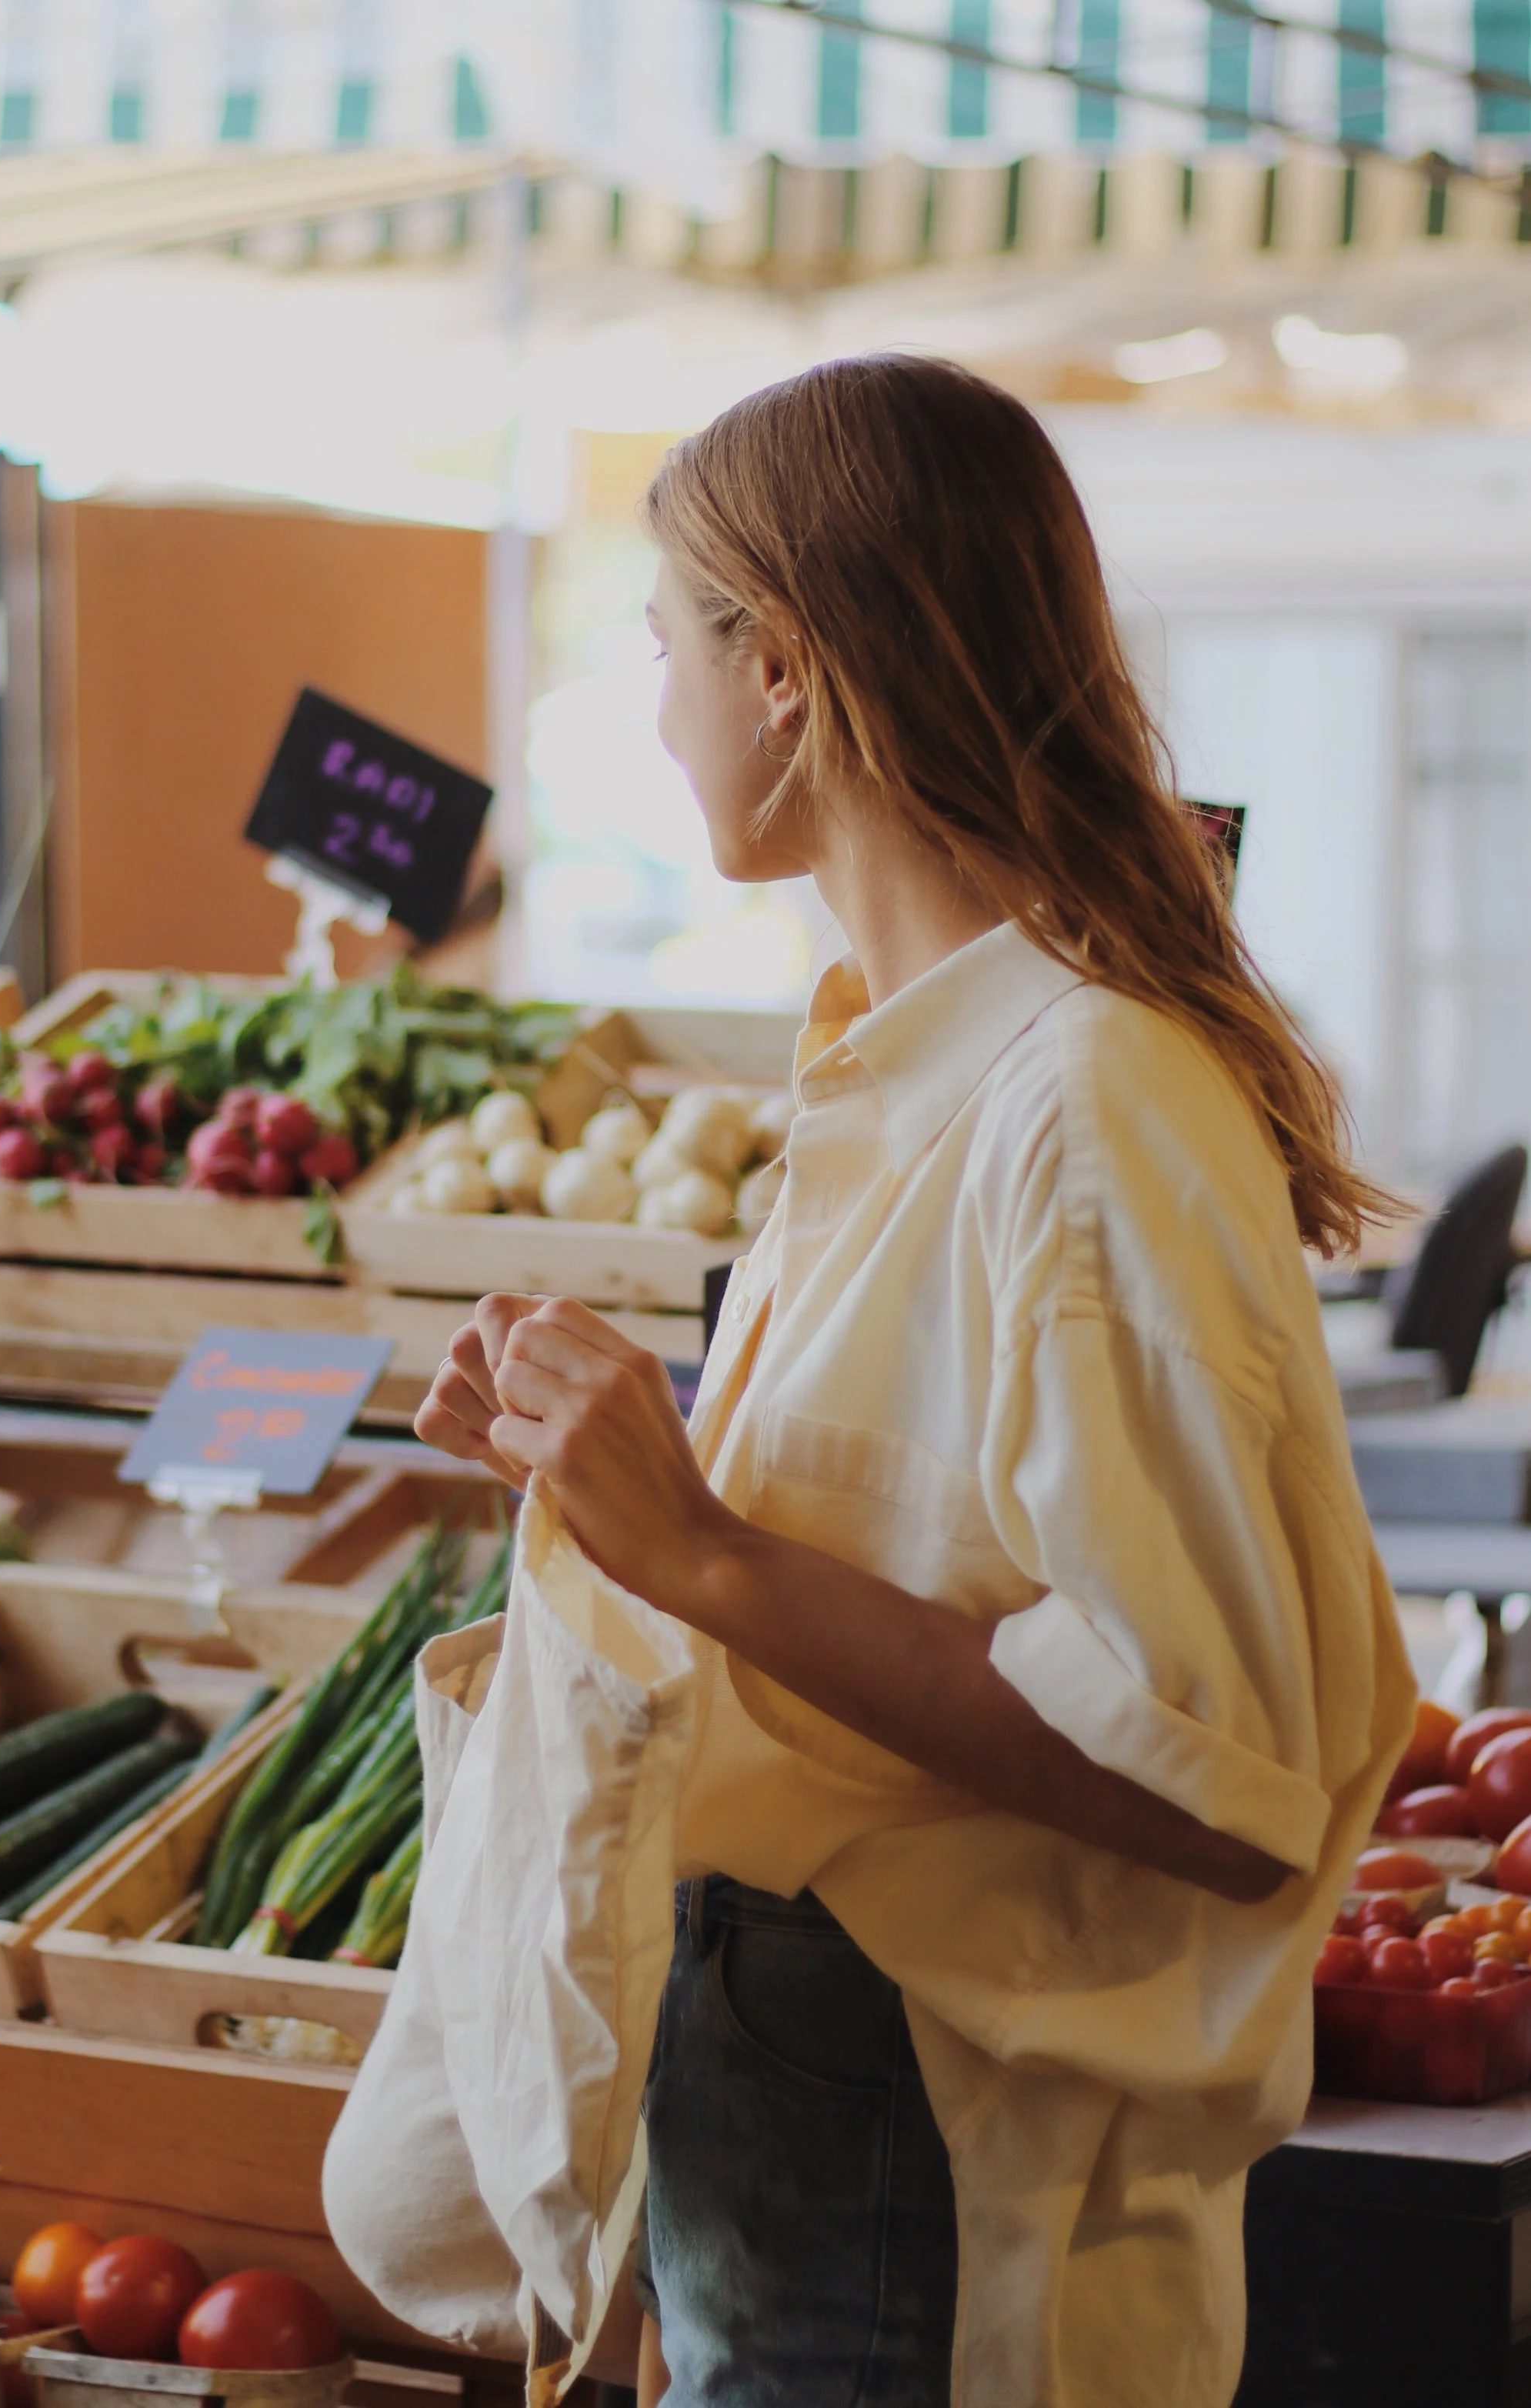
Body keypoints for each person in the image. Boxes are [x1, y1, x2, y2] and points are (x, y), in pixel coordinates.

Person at [414, 355, 1414, 2408]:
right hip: (817, 2088)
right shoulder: (906, 1054)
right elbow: (936, 1557)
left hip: (923, 2143)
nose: (653, 708)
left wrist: (691, 1549)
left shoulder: (1088, 1099)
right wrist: (610, 1483)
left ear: (778, 665)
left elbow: (1199, 1774)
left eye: (663, 644)